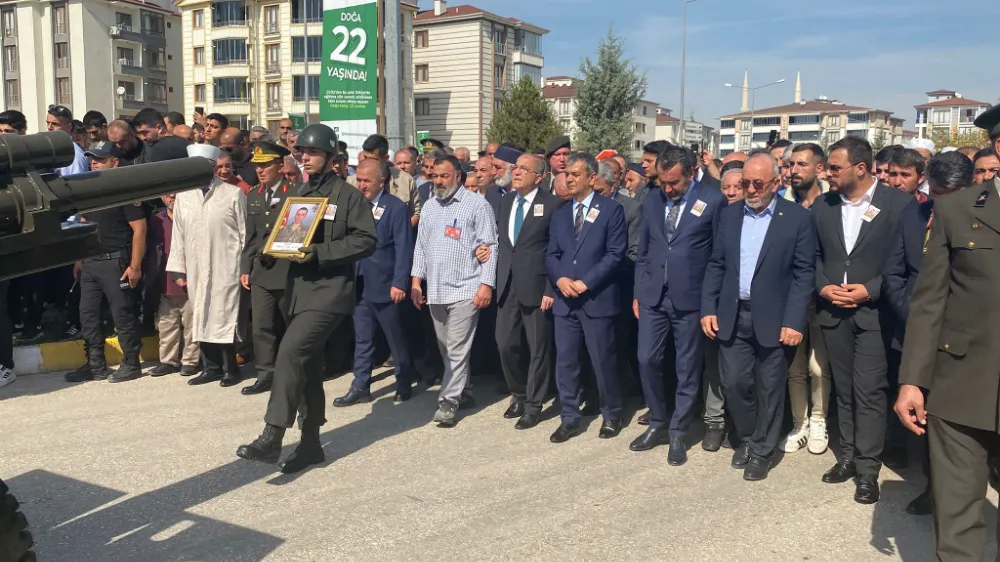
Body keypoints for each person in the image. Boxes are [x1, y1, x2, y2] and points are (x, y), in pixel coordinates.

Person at [237, 124, 377, 473]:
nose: (305, 157)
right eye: (302, 152)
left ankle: (272, 434)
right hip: (296, 292)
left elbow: (366, 240)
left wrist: (319, 253)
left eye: (312, 153)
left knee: (290, 352)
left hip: (329, 292)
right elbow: (284, 235)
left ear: (331, 158)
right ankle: (312, 445)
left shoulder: (348, 196)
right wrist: (272, 253)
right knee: (308, 369)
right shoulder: (297, 193)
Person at [894, 104, 1000, 560]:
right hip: (961, 386)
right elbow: (929, 301)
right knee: (958, 528)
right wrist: (912, 380)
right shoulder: (956, 209)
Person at [812, 136, 915, 504]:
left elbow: (904, 265)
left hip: (874, 314)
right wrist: (823, 288)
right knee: (843, 388)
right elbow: (812, 258)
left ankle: (869, 470)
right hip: (833, 313)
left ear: (860, 168)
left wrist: (870, 290)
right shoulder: (823, 206)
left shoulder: (900, 205)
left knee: (869, 391)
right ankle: (849, 457)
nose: (827, 173)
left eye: (834, 167)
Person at [701, 153, 816, 481]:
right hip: (733, 314)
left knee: (769, 386)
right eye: (745, 183)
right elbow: (717, 264)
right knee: (734, 383)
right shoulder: (730, 215)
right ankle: (750, 438)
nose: (749, 189)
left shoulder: (796, 218)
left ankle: (762, 451)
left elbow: (803, 273)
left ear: (776, 183)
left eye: (757, 183)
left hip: (776, 318)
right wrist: (708, 307)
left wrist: (794, 321)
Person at [884, 151, 974, 517]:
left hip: (964, 341)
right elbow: (893, 273)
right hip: (915, 334)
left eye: (949, 196)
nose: (941, 204)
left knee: (958, 423)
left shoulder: (984, 221)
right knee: (919, 416)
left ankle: (957, 492)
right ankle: (930, 486)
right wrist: (916, 316)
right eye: (935, 194)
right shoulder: (913, 214)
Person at [632, 146, 725, 464]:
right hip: (653, 296)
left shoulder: (713, 201)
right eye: (662, 181)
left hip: (691, 299)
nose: (667, 188)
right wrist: (638, 291)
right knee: (646, 359)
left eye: (673, 183)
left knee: (687, 369)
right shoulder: (653, 198)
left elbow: (717, 258)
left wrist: (710, 301)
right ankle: (657, 422)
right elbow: (644, 249)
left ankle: (677, 432)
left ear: (691, 173)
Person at [545, 152, 627, 443]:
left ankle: (612, 413)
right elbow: (552, 254)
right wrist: (562, 279)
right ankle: (569, 417)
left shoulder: (610, 210)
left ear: (592, 178)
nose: (568, 178)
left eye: (575, 174)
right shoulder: (560, 213)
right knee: (566, 361)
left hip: (596, 299)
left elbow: (616, 253)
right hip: (565, 300)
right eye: (566, 174)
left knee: (602, 360)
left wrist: (586, 282)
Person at [411, 154, 497, 426]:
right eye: (435, 176)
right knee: (447, 348)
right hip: (436, 290)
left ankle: (448, 403)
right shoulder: (429, 207)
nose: (438, 181)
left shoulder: (477, 206)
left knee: (457, 348)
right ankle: (465, 390)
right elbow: (421, 246)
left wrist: (486, 284)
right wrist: (416, 281)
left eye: (444, 176)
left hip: (466, 289)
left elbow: (490, 246)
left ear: (458, 176)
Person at [333, 159, 415, 406]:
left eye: (367, 181)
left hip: (386, 284)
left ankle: (403, 381)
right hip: (359, 285)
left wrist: (400, 282)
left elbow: (404, 248)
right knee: (362, 338)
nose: (361, 185)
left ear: (382, 181)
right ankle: (360, 385)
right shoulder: (353, 206)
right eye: (358, 180)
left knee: (395, 338)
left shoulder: (396, 207)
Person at [64, 141, 145, 383]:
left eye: (100, 159)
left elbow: (139, 229)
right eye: (92, 158)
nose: (94, 162)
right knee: (87, 314)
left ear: (115, 162)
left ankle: (131, 362)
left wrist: (135, 265)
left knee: (122, 313)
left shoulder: (124, 190)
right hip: (90, 263)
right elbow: (82, 225)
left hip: (115, 261)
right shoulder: (90, 190)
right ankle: (95, 365)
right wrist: (79, 259)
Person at [166, 144, 247, 388]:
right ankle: (209, 367)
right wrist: (179, 268)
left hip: (226, 265)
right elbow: (178, 234)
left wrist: (245, 267)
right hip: (196, 265)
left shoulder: (232, 194)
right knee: (200, 314)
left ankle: (230, 368)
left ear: (212, 167)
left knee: (223, 315)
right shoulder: (184, 196)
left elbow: (244, 233)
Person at [495, 153, 560, 429]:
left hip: (537, 286)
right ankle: (519, 393)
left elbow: (557, 250)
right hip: (507, 283)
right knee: (505, 343)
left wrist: (550, 287)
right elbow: (503, 241)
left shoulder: (553, 205)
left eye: (524, 168)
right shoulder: (506, 201)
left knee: (538, 348)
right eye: (516, 167)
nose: (517, 171)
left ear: (539, 177)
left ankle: (533, 405)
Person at [779, 143, 833, 455]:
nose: (794, 170)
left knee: (818, 366)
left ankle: (819, 419)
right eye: (791, 164)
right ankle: (799, 423)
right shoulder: (782, 203)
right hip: (789, 298)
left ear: (819, 168)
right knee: (794, 367)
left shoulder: (832, 203)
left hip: (823, 297)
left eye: (801, 164)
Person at [239, 140, 294, 396]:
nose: (260, 171)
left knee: (290, 324)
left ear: (280, 166)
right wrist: (245, 267)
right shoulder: (254, 195)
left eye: (266, 165)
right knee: (261, 325)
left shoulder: (294, 193)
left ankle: (292, 370)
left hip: (288, 269)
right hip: (261, 271)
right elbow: (250, 237)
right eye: (257, 166)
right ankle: (265, 373)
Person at [147, 193, 201, 377]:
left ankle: (190, 361)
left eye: (176, 193)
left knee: (191, 324)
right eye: (167, 194)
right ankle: (168, 361)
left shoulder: (193, 216)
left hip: (189, 280)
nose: (172, 197)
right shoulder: (156, 220)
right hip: (165, 281)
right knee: (166, 324)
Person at [350, 134, 421, 227]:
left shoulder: (405, 180)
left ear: (386, 158)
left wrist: (401, 230)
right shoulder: (351, 182)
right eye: (366, 158)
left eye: (374, 159)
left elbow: (417, 212)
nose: (369, 163)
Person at [45, 105, 89, 176]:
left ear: (69, 127)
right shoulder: (52, 148)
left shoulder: (74, 155)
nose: (49, 127)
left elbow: (77, 183)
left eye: (55, 124)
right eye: (48, 123)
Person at [485, 145, 519, 218]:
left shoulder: (525, 193)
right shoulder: (491, 193)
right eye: (492, 166)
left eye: (498, 168)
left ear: (513, 169)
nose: (493, 172)